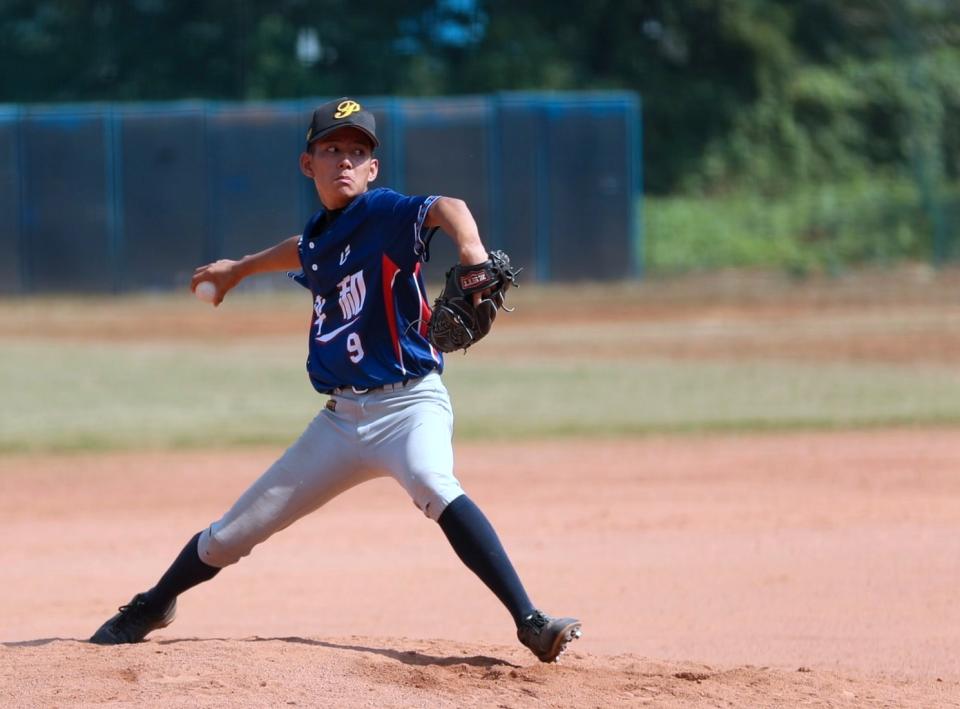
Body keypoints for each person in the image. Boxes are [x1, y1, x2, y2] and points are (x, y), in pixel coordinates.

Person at [88, 97, 581, 663]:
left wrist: (470, 250)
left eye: (357, 152)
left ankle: (530, 621)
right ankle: (152, 604)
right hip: (340, 422)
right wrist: (238, 270)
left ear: (373, 169)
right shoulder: (321, 237)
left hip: (410, 406)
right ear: (309, 164)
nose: (344, 160)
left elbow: (450, 206)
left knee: (433, 480)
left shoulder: (387, 214)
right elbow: (302, 250)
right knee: (231, 535)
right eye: (332, 149)